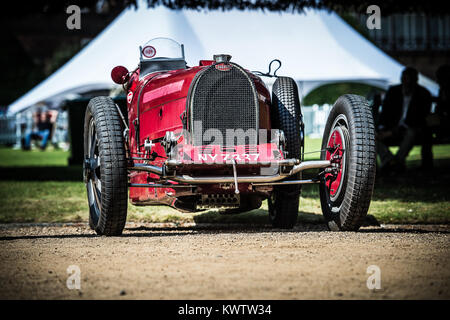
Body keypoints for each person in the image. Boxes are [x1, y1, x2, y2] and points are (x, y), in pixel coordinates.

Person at [376, 67, 432, 172]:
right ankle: (390, 160)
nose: (407, 83)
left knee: (411, 133)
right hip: (392, 127)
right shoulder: (393, 92)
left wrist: (392, 132)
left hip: (411, 129)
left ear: (415, 81)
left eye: (409, 79)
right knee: (372, 137)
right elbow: (385, 113)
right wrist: (382, 128)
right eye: (405, 79)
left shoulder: (422, 94)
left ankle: (395, 162)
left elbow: (418, 118)